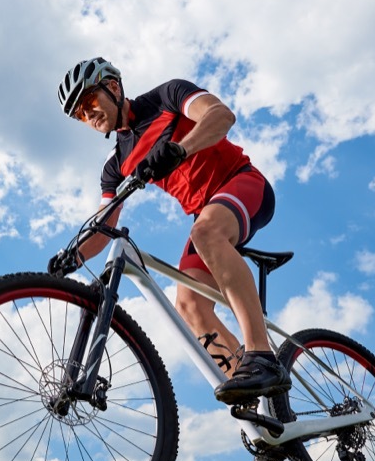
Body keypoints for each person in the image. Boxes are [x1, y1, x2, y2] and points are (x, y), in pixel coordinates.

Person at [52, 57, 290, 405]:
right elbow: (105, 224)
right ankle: (261, 406)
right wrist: (73, 255)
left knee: (205, 233)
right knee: (189, 304)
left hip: (243, 183)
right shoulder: (115, 165)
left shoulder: (167, 96)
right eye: (80, 115)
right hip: (206, 215)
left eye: (89, 102)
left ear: (113, 88)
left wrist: (181, 149)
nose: (89, 116)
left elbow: (221, 116)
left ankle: (261, 355)